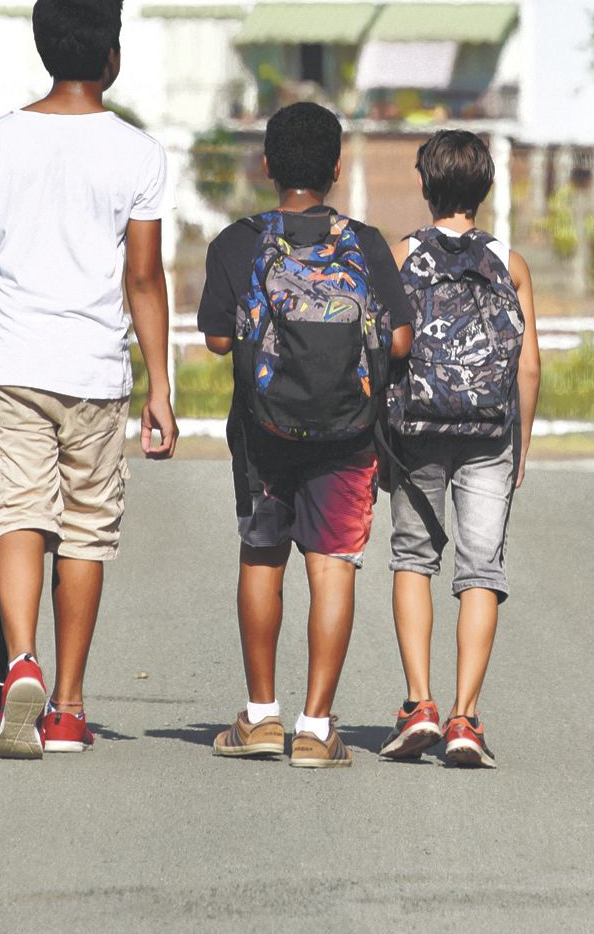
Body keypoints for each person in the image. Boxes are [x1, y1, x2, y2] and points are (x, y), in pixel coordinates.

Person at [0, 0, 178, 761]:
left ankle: (21, 665)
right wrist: (160, 388)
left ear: (43, 48)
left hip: (7, 364)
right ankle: (68, 707)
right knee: (83, 531)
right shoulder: (136, 153)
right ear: (111, 55)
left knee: (15, 513)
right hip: (93, 372)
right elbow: (142, 278)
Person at [197, 103, 414, 769]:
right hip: (348, 433)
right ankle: (316, 728)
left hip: (263, 432)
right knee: (332, 566)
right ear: (337, 168)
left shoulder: (237, 242)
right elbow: (400, 338)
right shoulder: (366, 243)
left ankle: (260, 717)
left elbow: (217, 339)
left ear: (265, 166)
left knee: (262, 556)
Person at [380, 130, 540, 769]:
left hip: (415, 432)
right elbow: (528, 365)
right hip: (487, 434)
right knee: (481, 571)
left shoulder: (399, 257)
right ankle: (464, 718)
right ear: (486, 189)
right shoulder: (511, 263)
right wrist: (519, 443)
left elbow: (382, 348)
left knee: (413, 559)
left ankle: (418, 703)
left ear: (425, 185)